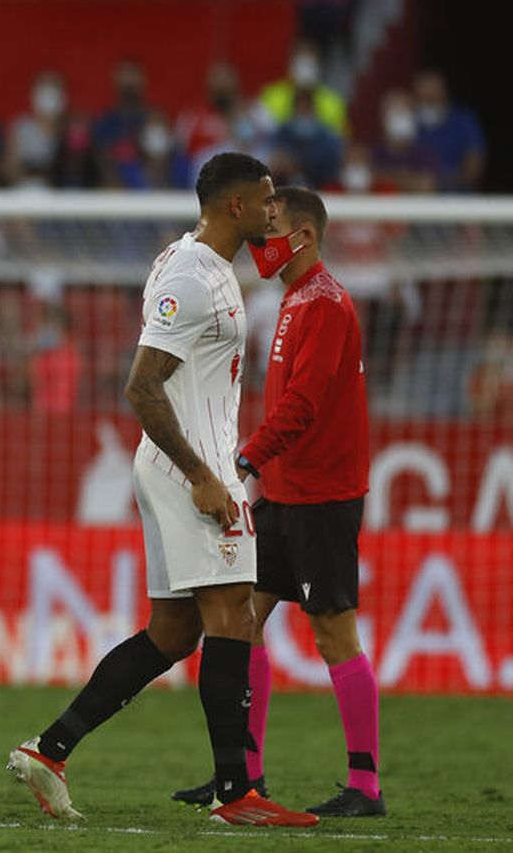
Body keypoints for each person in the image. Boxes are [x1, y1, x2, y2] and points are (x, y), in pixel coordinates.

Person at [6, 152, 318, 828]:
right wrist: (207, 476)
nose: (276, 211)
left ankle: (50, 750)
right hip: (192, 467)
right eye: (267, 201)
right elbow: (141, 386)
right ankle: (236, 795)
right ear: (235, 206)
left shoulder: (206, 264)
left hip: (193, 463)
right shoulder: (191, 275)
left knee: (175, 632)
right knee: (233, 614)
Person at [171, 187, 384, 817]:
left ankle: (366, 786)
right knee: (241, 617)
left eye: (272, 231)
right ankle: (245, 778)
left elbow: (304, 405)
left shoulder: (325, 303)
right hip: (284, 494)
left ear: (306, 236)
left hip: (322, 495)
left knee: (332, 632)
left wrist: (244, 459)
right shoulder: (291, 299)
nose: (261, 244)